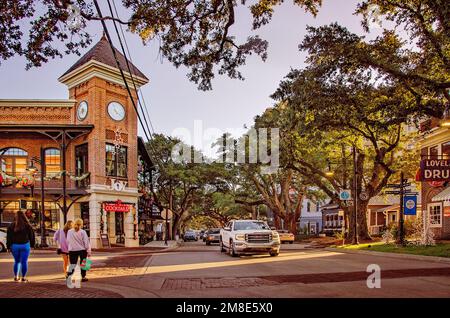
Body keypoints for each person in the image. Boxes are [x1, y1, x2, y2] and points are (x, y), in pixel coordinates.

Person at [6, 210, 35, 282]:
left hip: (14, 246)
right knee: (24, 262)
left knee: (17, 261)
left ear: (16, 216)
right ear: (24, 216)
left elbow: (8, 237)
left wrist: (8, 246)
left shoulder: (11, 226)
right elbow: (32, 236)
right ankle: (23, 277)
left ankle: (16, 276)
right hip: (25, 245)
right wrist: (32, 245)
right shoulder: (27, 225)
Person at [66, 218, 91, 282]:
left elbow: (68, 241)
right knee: (83, 264)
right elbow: (86, 242)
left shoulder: (69, 231)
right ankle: (83, 277)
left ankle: (69, 275)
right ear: (81, 224)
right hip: (82, 250)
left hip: (72, 250)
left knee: (72, 264)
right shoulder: (82, 232)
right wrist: (88, 251)